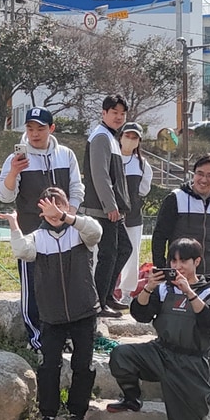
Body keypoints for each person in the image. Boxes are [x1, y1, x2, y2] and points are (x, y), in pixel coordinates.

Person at [107, 238, 210, 420]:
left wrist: (189, 293)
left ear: (197, 262)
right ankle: (132, 399)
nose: (177, 266)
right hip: (160, 352)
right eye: (174, 260)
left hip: (191, 364)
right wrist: (149, 287)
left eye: (184, 261)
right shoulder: (163, 289)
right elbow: (140, 314)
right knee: (121, 356)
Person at [4, 187, 102, 420]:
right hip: (51, 313)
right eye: (48, 206)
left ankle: (76, 417)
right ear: (41, 211)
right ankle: (48, 418)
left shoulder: (80, 232)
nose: (53, 211)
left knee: (84, 365)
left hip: (84, 309)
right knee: (49, 366)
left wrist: (67, 217)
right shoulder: (38, 237)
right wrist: (15, 225)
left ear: (67, 206)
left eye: (58, 205)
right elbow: (21, 251)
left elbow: (96, 231)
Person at [0, 106, 84, 349]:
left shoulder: (66, 155)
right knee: (33, 285)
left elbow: (76, 189)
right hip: (31, 231)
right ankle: (37, 337)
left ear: (51, 129)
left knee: (63, 284)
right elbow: (4, 193)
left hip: (63, 233)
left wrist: (69, 217)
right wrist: (13, 171)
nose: (35, 134)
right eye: (30, 128)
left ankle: (64, 335)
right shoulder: (17, 159)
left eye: (40, 129)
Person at [151, 153, 210, 405]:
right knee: (178, 323)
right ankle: (171, 375)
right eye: (200, 173)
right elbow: (159, 236)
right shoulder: (175, 198)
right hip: (181, 275)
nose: (204, 179)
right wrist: (162, 270)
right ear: (193, 174)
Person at [81, 95, 132, 318]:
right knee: (108, 255)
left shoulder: (111, 137)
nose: (118, 117)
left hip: (112, 209)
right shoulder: (101, 136)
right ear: (104, 114)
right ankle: (99, 302)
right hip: (102, 209)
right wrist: (110, 205)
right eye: (114, 112)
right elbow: (100, 175)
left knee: (124, 249)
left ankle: (107, 295)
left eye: (122, 113)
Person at [118, 122, 153, 301]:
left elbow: (143, 189)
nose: (130, 140)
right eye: (127, 136)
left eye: (134, 138)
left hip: (133, 216)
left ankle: (126, 292)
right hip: (110, 214)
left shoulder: (142, 164)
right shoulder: (110, 157)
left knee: (132, 253)